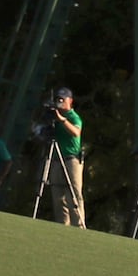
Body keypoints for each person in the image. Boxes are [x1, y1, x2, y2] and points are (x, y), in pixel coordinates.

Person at [47, 87, 85, 226]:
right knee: (57, 195)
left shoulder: (73, 117)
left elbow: (76, 132)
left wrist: (62, 120)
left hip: (71, 159)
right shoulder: (54, 117)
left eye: (62, 99)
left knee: (73, 195)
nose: (60, 102)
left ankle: (78, 226)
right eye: (58, 99)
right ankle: (62, 225)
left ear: (70, 101)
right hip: (57, 159)